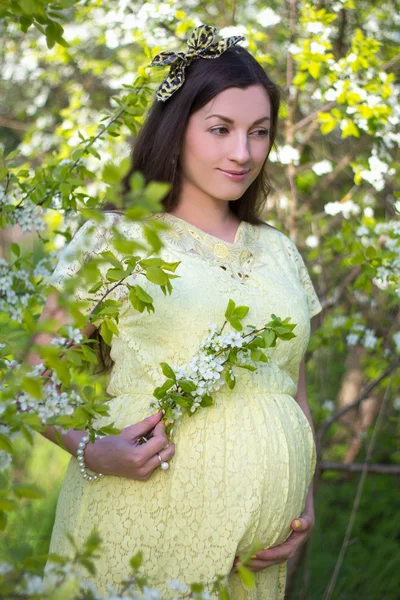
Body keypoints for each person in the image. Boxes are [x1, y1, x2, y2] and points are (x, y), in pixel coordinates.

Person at [36, 25, 322, 599]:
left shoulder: (279, 251)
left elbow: (292, 388)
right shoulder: (117, 239)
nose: (243, 152)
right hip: (139, 529)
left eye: (259, 133)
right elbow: (24, 373)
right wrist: (91, 449)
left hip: (254, 561)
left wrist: (301, 499)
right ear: (177, 129)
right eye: (220, 129)